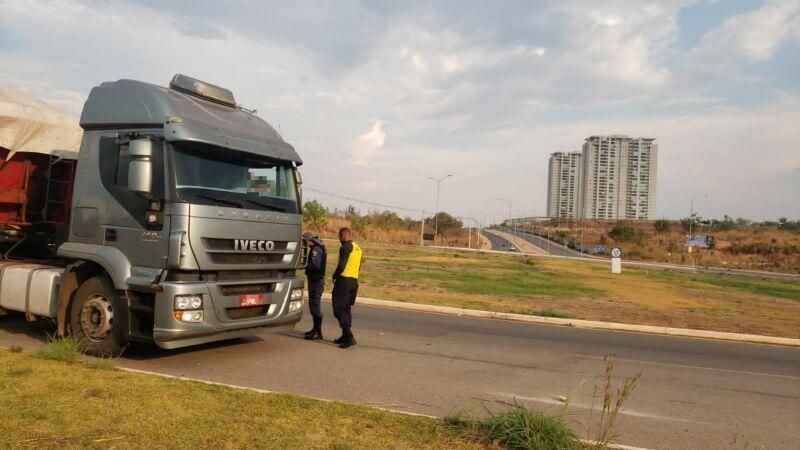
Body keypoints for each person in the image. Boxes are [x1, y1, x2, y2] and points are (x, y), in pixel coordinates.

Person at [331, 227, 362, 349]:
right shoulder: (357, 248)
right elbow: (359, 266)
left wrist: (335, 276)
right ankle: (344, 335)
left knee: (338, 308)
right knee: (346, 308)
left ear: (342, 236)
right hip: (354, 281)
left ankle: (349, 337)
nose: (339, 239)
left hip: (344, 281)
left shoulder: (345, 248)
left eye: (339, 237)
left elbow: (342, 265)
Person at [302, 232, 327, 340]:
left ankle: (318, 333)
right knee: (313, 307)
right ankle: (315, 330)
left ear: (309, 240)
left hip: (316, 282)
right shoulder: (318, 246)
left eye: (305, 241)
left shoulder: (316, 249)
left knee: (315, 307)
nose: (305, 244)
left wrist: (304, 264)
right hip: (315, 281)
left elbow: (315, 266)